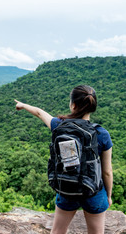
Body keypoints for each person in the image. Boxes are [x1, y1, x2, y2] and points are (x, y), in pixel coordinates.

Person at [14, 85, 113, 234]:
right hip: (93, 191)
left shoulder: (59, 125)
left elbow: (40, 113)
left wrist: (22, 105)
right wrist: (108, 195)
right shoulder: (102, 134)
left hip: (67, 187)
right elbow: (107, 172)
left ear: (73, 105)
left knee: (58, 231)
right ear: (93, 106)